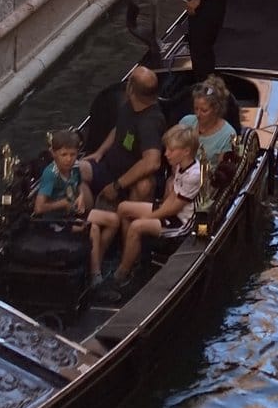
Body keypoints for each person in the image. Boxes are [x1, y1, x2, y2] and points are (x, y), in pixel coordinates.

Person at [88, 123, 203, 294]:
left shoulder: (194, 175)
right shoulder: (180, 165)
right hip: (169, 210)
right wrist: (156, 211)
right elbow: (171, 198)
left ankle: (122, 274)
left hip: (181, 221)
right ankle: (130, 255)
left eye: (171, 150)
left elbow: (174, 209)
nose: (166, 154)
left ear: (186, 151)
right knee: (124, 208)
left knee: (137, 226)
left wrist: (149, 217)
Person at [79, 65, 165, 210]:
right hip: (110, 168)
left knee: (144, 186)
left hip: (129, 180)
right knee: (76, 170)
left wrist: (117, 185)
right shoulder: (131, 106)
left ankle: (125, 225)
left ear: (131, 90)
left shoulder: (150, 122)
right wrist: (100, 152)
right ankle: (89, 218)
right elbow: (119, 128)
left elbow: (152, 162)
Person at [33, 130, 86, 223]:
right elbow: (39, 208)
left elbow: (79, 184)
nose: (69, 159)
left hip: (71, 214)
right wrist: (62, 204)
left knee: (112, 220)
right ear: (54, 154)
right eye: (64, 155)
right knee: (94, 228)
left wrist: (81, 196)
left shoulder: (75, 166)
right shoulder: (51, 174)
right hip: (55, 221)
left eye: (72, 154)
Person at [180, 76, 236, 164]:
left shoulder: (228, 135)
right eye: (196, 109)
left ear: (216, 109)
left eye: (204, 110)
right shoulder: (186, 122)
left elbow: (224, 172)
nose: (198, 114)